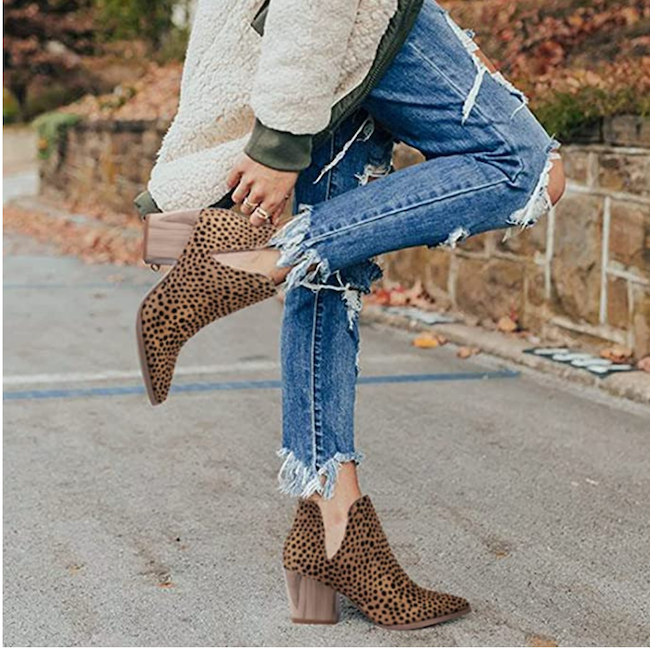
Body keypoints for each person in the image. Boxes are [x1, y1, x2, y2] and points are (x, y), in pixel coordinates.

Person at [135, 0, 565, 630]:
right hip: (356, 14)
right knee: (527, 168)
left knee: (333, 277)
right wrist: (279, 142)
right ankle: (254, 264)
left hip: (318, 37)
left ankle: (330, 527)